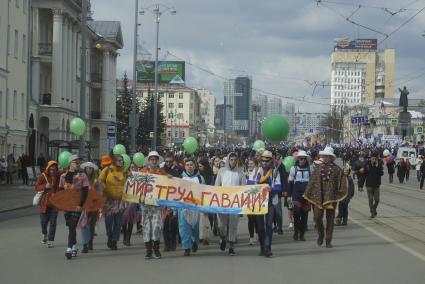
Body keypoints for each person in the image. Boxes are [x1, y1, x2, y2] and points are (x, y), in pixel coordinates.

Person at [304, 147, 348, 248]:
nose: (325, 157)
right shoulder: (318, 168)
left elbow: (342, 180)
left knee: (330, 219)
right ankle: (321, 234)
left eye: (327, 156)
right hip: (319, 196)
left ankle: (328, 239)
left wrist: (346, 174)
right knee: (317, 217)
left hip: (331, 197)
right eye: (324, 156)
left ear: (331, 157)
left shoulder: (337, 169)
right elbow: (312, 181)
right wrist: (308, 192)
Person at [59, 155, 90, 259]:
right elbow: (60, 191)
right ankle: (74, 247)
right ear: (70, 163)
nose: (77, 163)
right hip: (67, 205)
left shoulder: (82, 175)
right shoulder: (63, 176)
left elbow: (85, 191)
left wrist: (80, 205)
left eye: (78, 162)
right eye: (75, 162)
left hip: (77, 205)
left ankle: (68, 249)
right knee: (70, 227)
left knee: (72, 225)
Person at [215, 152, 246, 256]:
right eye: (231, 160)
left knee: (233, 225)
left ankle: (231, 246)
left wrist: (242, 204)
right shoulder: (221, 171)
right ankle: (223, 237)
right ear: (228, 160)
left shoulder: (240, 173)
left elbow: (244, 188)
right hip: (222, 203)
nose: (233, 162)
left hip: (235, 204)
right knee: (221, 225)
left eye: (235, 160)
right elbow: (216, 186)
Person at [139, 151, 166, 259]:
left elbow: (168, 185)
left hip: (157, 205)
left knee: (156, 227)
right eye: (152, 159)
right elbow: (135, 184)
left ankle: (156, 249)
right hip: (145, 205)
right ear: (149, 161)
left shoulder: (162, 173)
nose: (154, 161)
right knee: (146, 227)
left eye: (155, 159)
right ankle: (148, 251)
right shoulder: (142, 172)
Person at [255, 150, 280, 257]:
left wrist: (271, 189)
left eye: (267, 160)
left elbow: (279, 187)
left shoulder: (275, 172)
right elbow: (250, 183)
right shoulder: (258, 170)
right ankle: (262, 247)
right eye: (263, 160)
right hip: (259, 202)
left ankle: (267, 248)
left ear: (271, 160)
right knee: (260, 227)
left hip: (270, 203)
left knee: (269, 225)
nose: (265, 162)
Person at [99, 154, 126, 251]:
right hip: (108, 200)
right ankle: (109, 236)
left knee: (118, 222)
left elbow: (130, 184)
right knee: (108, 221)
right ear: (114, 161)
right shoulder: (107, 170)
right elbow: (100, 181)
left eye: (122, 160)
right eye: (119, 160)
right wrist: (103, 188)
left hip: (120, 201)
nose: (121, 162)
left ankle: (114, 240)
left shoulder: (125, 172)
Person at [179, 158, 205, 256]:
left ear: (194, 166)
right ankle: (186, 248)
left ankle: (195, 241)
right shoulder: (180, 178)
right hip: (184, 208)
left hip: (196, 208)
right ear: (185, 166)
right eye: (187, 165)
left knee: (195, 228)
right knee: (184, 228)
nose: (189, 166)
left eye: (191, 165)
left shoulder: (200, 178)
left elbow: (204, 192)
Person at [287, 151, 312, 241]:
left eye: (304, 159)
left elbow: (313, 183)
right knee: (297, 214)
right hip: (296, 194)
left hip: (307, 195)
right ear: (298, 159)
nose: (303, 160)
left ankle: (302, 234)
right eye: (301, 158)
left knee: (305, 216)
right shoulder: (293, 168)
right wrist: (289, 196)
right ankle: (296, 231)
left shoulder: (310, 169)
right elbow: (290, 182)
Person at [35, 160, 60, 248]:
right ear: (48, 168)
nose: (52, 171)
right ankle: (44, 233)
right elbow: (36, 187)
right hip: (44, 204)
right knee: (43, 223)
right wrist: (44, 186)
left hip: (54, 204)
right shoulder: (42, 176)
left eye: (54, 169)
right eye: (51, 169)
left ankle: (51, 240)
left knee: (53, 223)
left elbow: (65, 172)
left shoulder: (57, 176)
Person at [79, 162, 101, 253]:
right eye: (87, 168)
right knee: (83, 225)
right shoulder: (81, 179)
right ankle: (85, 245)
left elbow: (100, 193)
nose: (88, 170)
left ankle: (90, 242)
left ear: (93, 170)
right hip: (84, 206)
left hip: (93, 207)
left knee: (91, 225)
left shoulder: (96, 180)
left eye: (90, 168)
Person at [162, 153, 180, 251]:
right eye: (167, 161)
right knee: (165, 223)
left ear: (173, 161)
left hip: (173, 200)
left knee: (173, 222)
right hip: (163, 199)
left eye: (170, 161)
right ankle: (166, 243)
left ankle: (173, 241)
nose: (168, 163)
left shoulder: (176, 171)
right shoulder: (161, 171)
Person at [198, 158, 214, 245]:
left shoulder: (209, 175)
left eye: (200, 166)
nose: (199, 167)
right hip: (199, 198)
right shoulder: (198, 175)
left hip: (208, 198)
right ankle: (201, 235)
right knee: (201, 217)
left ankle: (206, 236)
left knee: (208, 217)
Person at [364, 153, 384, 218]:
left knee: (377, 199)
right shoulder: (367, 165)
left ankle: (374, 209)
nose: (374, 160)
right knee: (370, 200)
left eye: (375, 159)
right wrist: (360, 185)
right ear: (370, 159)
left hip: (376, 185)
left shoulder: (379, 165)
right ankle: (372, 212)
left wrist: (377, 166)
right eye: (373, 159)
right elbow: (363, 174)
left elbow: (381, 173)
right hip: (369, 185)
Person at [246, 157, 259, 245]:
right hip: (248, 200)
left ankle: (257, 234)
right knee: (250, 219)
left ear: (255, 164)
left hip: (257, 199)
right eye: (249, 164)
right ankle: (251, 237)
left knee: (256, 219)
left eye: (251, 164)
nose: (249, 165)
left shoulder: (258, 172)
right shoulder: (246, 173)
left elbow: (257, 186)